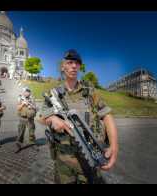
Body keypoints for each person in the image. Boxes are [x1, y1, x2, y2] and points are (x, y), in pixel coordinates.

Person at [37, 49, 118, 184]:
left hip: (90, 159)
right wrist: (52, 119)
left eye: (77, 63)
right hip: (64, 161)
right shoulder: (54, 94)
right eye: (69, 62)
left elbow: (107, 115)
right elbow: (39, 116)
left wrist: (114, 146)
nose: (74, 66)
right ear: (63, 67)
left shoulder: (90, 92)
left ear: (79, 67)